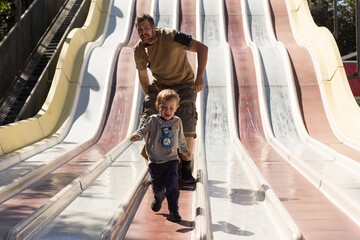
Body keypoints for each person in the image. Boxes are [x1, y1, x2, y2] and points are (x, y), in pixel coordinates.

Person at [133, 14, 208, 184]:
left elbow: (202, 48)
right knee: (148, 120)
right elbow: (143, 76)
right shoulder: (139, 50)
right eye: (140, 30)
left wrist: (200, 76)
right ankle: (155, 163)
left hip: (184, 84)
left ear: (154, 28)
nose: (143, 32)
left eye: (146, 28)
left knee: (187, 121)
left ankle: (186, 168)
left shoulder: (171, 36)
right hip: (160, 86)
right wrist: (153, 99)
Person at [130, 89, 191, 221]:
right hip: (155, 162)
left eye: (171, 108)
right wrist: (137, 135)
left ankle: (174, 211)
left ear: (176, 108)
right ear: (158, 106)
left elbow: (180, 138)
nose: (167, 111)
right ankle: (158, 199)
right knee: (157, 188)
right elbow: (143, 130)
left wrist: (184, 150)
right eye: (164, 107)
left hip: (171, 160)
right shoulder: (153, 120)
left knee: (172, 185)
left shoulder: (177, 121)